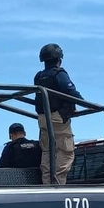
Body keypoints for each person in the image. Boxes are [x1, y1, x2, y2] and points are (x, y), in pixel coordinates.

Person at [33, 43, 83, 185]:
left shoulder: (39, 76)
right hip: (56, 118)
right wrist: (86, 104)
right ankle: (58, 186)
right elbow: (70, 91)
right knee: (65, 152)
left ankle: (47, 185)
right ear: (59, 58)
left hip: (43, 118)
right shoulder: (59, 73)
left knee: (48, 151)